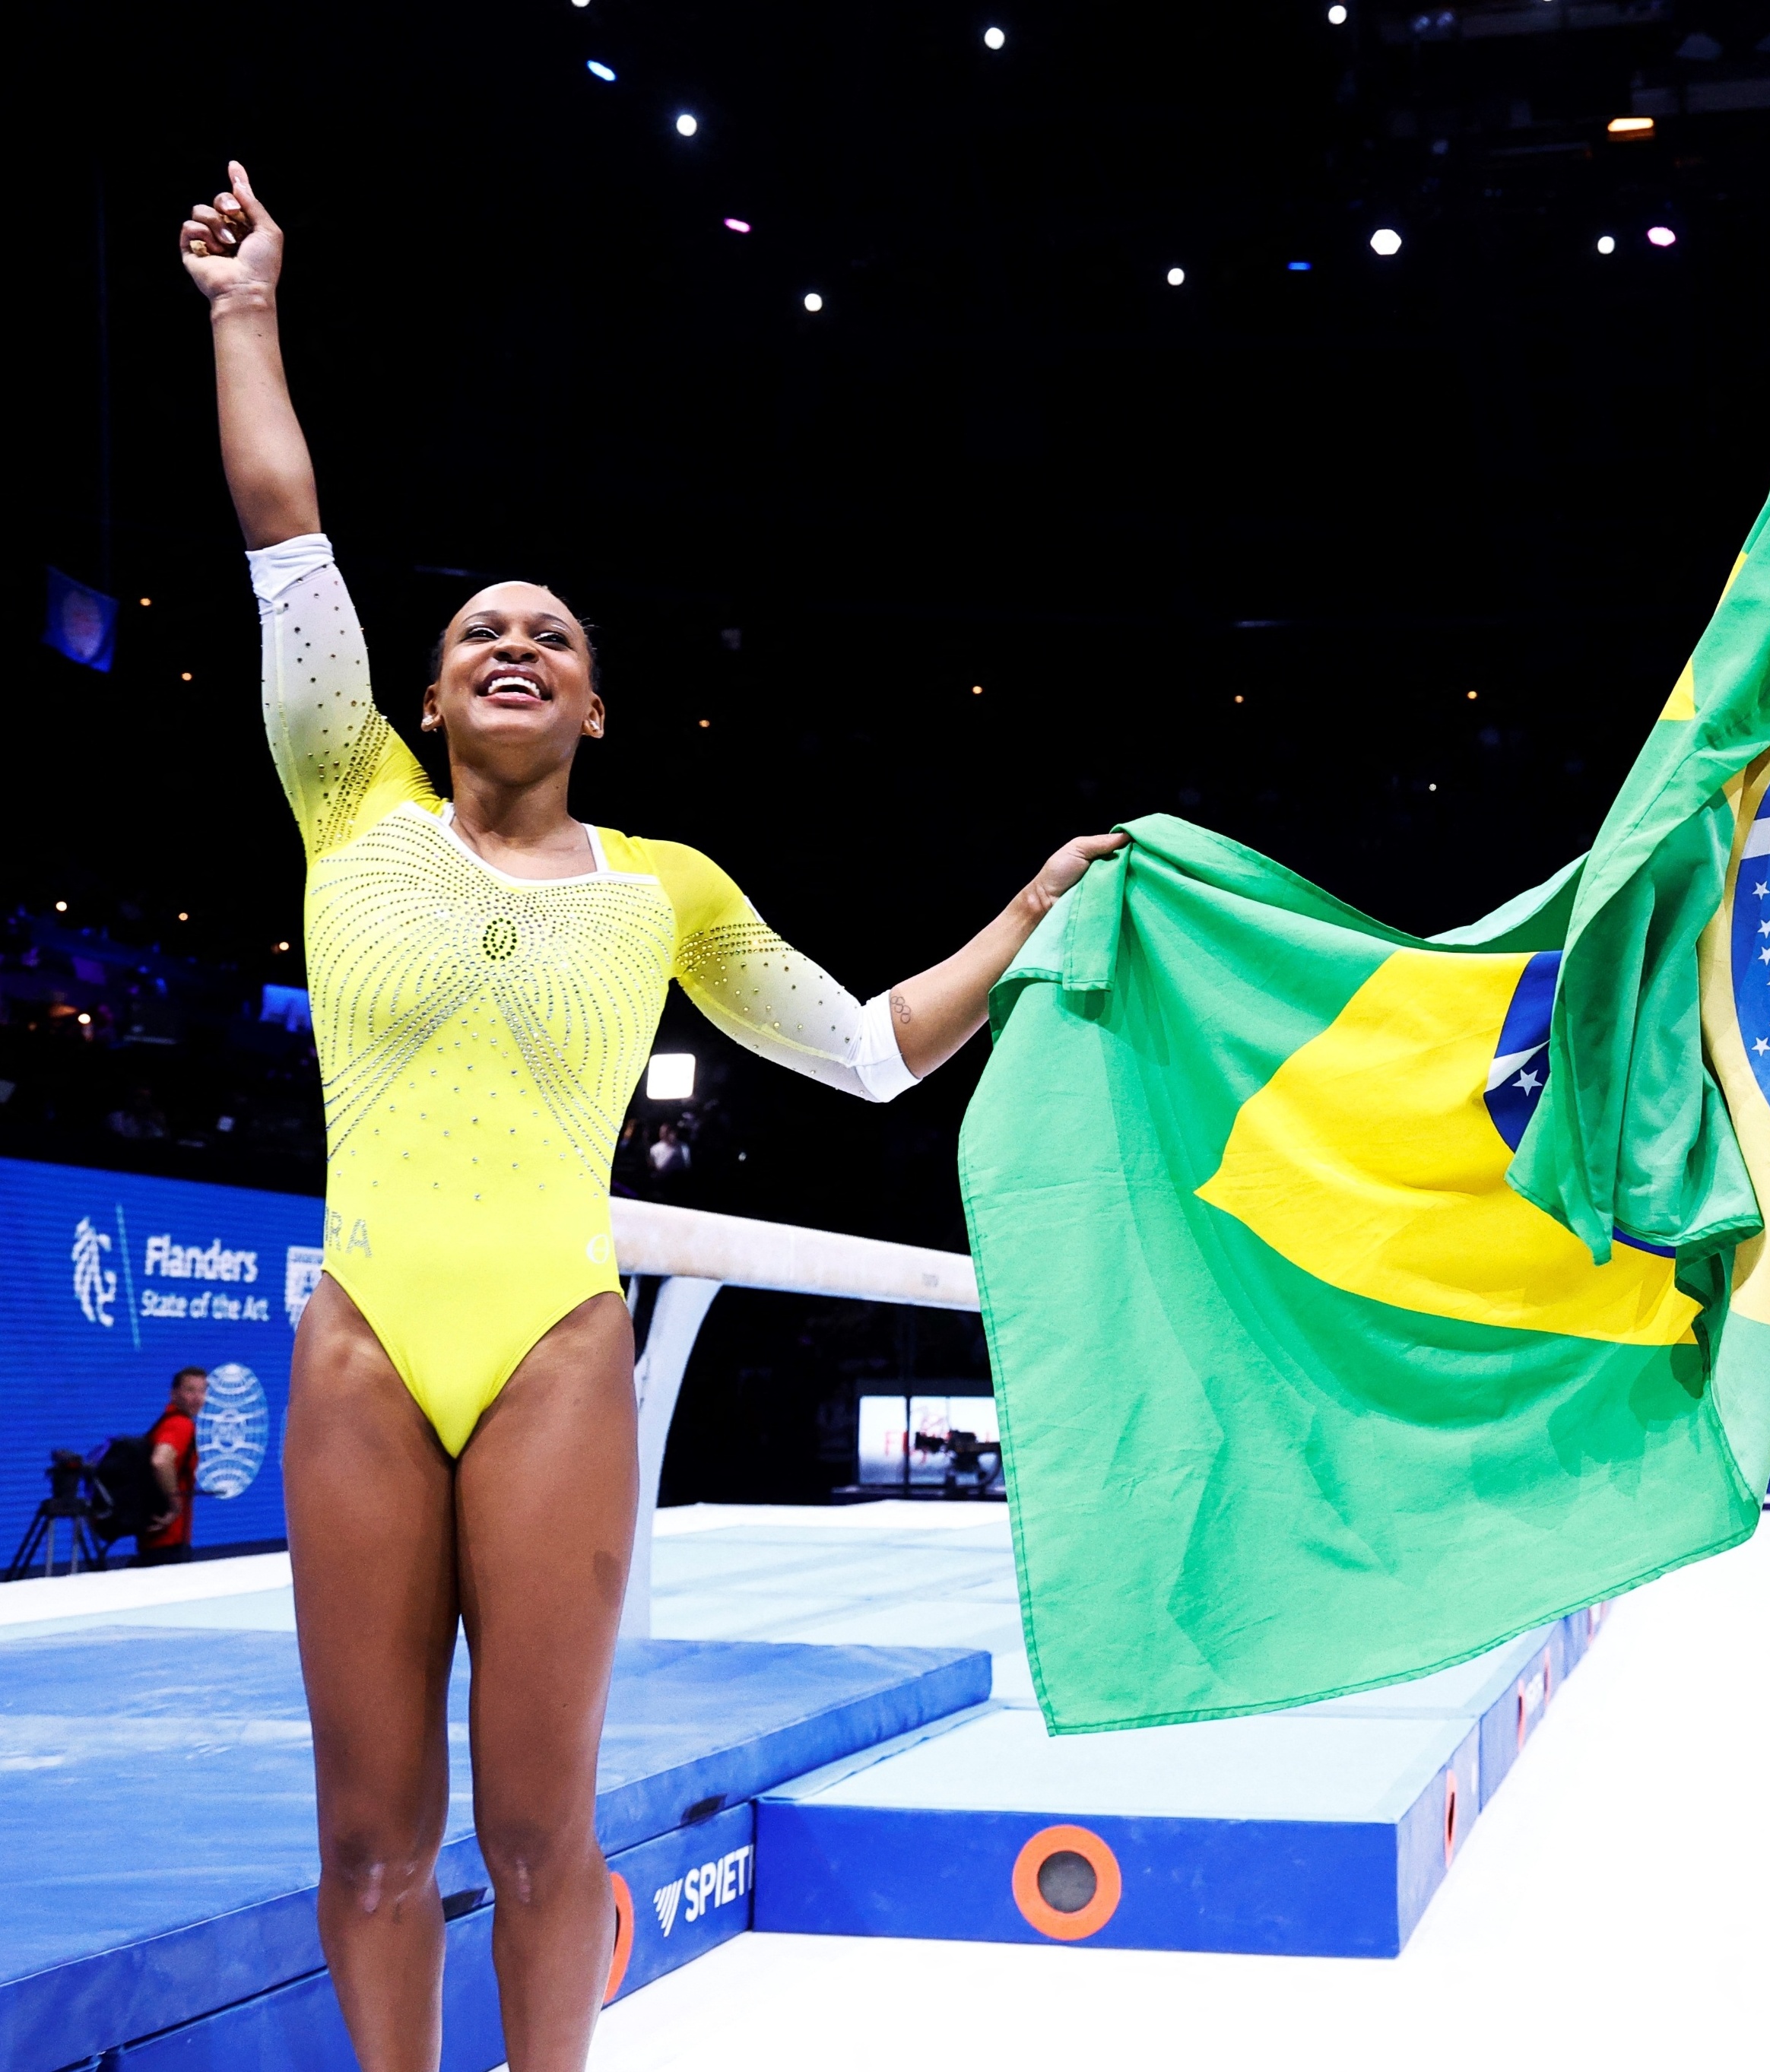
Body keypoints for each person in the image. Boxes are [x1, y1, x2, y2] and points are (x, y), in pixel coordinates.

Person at [179, 163, 1123, 2072]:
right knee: (368, 1835)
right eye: (475, 634)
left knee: (537, 1830)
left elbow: (865, 1051)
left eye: (551, 635)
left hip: (549, 1354)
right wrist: (242, 309)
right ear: (425, 699)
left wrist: (1023, 920)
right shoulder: (341, 798)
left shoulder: (666, 891)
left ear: (598, 706)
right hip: (364, 1345)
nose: (511, 641)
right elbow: (284, 527)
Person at [139, 1366, 209, 1566]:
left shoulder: (165, 1422)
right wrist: (174, 1505)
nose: (198, 1398)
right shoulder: (180, 1424)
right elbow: (161, 1461)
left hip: (157, 1540)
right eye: (190, 1391)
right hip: (169, 1541)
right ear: (174, 1394)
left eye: (202, 1391)